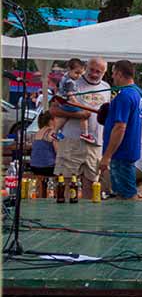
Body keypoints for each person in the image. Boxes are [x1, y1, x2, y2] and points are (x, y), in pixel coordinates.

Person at [50, 57, 111, 195]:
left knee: (92, 187)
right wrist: (79, 115)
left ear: (104, 73)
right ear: (86, 68)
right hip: (72, 142)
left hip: (95, 144)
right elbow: (53, 110)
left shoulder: (106, 87)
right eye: (91, 70)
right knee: (66, 186)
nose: (94, 74)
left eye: (98, 72)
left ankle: (87, 210)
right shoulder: (72, 82)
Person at [99, 60, 142, 200]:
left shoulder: (124, 96)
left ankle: (130, 214)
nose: (112, 77)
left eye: (113, 73)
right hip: (130, 150)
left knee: (126, 195)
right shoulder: (139, 93)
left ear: (119, 74)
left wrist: (107, 156)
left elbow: (120, 127)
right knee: (123, 193)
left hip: (121, 152)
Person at [55, 58, 95, 144]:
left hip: (62, 102)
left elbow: (58, 88)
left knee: (64, 117)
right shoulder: (70, 82)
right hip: (69, 103)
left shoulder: (64, 76)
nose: (78, 76)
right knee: (84, 115)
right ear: (69, 69)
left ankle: (55, 132)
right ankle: (85, 134)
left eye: (81, 73)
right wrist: (78, 104)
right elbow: (70, 95)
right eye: (76, 73)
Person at [29, 111, 58, 177]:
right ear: (51, 121)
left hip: (34, 166)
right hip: (48, 167)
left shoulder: (38, 132)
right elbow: (58, 150)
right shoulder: (52, 132)